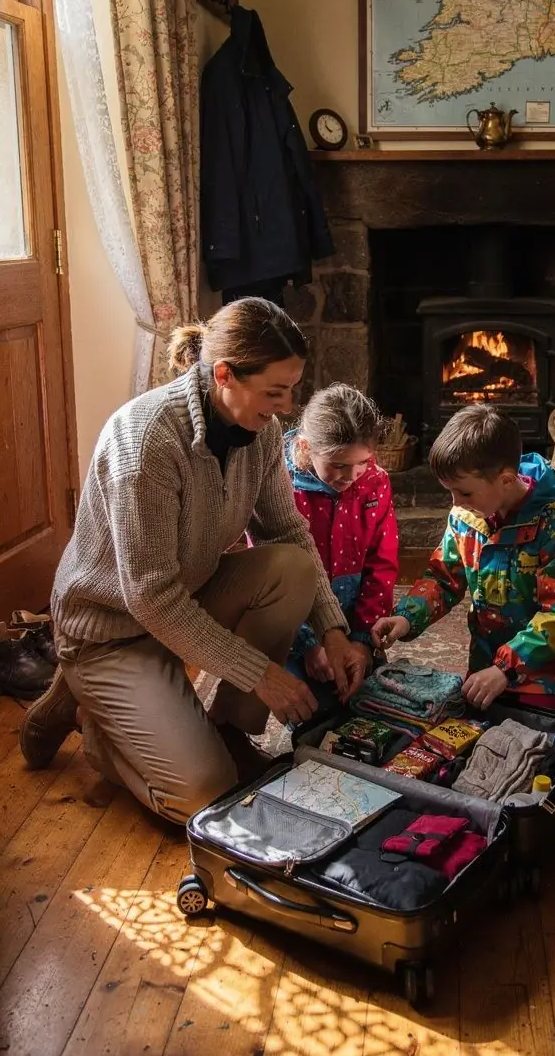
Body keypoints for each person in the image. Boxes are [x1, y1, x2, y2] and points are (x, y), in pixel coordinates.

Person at [19, 299, 370, 823]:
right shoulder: (146, 443)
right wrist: (262, 675)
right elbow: (150, 598)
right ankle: (93, 722)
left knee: (289, 567)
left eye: (293, 388)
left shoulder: (262, 429)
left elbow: (286, 528)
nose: (287, 406)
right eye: (275, 392)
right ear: (224, 374)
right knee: (204, 795)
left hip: (182, 600)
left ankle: (227, 728)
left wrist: (333, 631)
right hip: (111, 628)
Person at [371, 404, 555, 727]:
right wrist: (406, 616)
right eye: (450, 493)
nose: (455, 503)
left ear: (505, 480)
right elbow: (444, 578)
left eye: (464, 492)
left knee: (551, 739)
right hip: (489, 659)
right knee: (466, 729)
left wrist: (506, 668)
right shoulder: (466, 516)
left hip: (552, 667)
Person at [284, 385, 399, 687]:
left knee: (372, 702)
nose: (351, 476)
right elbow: (276, 581)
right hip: (292, 627)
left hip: (354, 621)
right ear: (306, 447)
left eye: (363, 462)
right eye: (338, 465)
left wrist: (362, 640)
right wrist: (309, 645)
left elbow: (382, 564)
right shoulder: (281, 486)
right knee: (312, 715)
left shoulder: (376, 483)